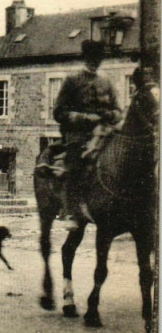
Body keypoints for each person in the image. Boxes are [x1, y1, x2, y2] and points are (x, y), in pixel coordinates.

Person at [53, 39, 121, 229]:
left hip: (105, 133)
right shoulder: (72, 81)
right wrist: (83, 118)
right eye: (92, 58)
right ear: (85, 58)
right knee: (75, 164)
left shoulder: (106, 82)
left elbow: (118, 111)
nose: (95, 62)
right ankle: (72, 212)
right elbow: (58, 112)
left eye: (98, 58)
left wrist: (111, 115)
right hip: (78, 136)